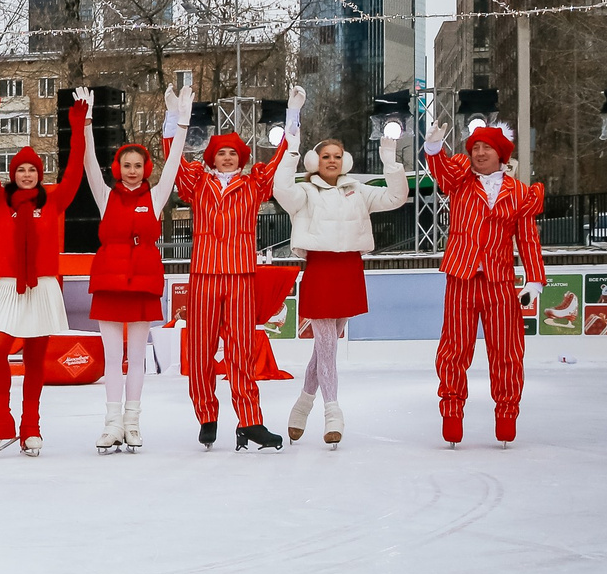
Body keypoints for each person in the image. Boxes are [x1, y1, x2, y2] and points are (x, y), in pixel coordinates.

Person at [272, 88, 409, 447]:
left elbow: (396, 198)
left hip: (349, 268)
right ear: (315, 162)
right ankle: (332, 411)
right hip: (320, 269)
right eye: (324, 156)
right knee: (327, 344)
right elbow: (280, 188)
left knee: (325, 347)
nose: (331, 160)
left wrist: (389, 155)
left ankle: (303, 401)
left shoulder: (358, 190)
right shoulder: (304, 192)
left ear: (344, 160)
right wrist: (291, 127)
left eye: (336, 156)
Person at [170, 77, 292, 451]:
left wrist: (294, 117)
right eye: (221, 152)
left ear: (242, 157)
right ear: (212, 156)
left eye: (233, 153)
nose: (227, 157)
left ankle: (250, 421)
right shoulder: (196, 183)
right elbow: (172, 158)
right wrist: (176, 120)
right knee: (201, 349)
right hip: (205, 274)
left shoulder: (254, 184)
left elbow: (281, 159)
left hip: (240, 275)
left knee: (241, 349)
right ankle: (207, 415)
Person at [0, 97, 90, 457]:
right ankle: (0, 421)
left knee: (36, 360)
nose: (27, 175)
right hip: (9, 285)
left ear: (40, 175)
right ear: (14, 174)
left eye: (33, 171)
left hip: (42, 286)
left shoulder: (52, 203)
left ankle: (31, 426)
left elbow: (74, 171)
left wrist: (78, 129)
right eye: (21, 170)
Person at [421, 115, 546, 447]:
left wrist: (534, 281)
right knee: (454, 350)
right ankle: (451, 410)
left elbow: (528, 240)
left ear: (500, 154)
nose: (478, 153)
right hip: (462, 277)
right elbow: (442, 172)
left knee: (507, 352)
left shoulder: (520, 193)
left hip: (500, 283)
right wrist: (434, 148)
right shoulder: (461, 181)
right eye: (475, 147)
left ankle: (506, 413)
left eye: (486, 147)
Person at [77, 88, 185, 453]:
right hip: (109, 280)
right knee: (112, 358)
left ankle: (133, 423)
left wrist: (181, 124)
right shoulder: (105, 196)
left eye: (139, 166)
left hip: (142, 282)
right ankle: (111, 425)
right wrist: (87, 122)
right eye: (127, 165)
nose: (133, 171)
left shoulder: (155, 198)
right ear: (118, 168)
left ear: (146, 169)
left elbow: (174, 166)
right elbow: (88, 161)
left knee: (137, 358)